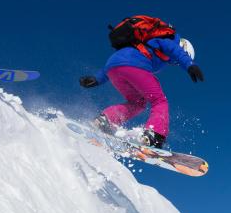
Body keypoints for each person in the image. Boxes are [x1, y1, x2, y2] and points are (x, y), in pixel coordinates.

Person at [79, 18, 205, 148]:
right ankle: (154, 135)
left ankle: (105, 120)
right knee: (159, 100)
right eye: (178, 61)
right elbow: (176, 51)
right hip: (134, 67)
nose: (175, 63)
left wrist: (97, 78)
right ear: (183, 47)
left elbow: (120, 61)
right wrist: (189, 64)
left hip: (113, 68)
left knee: (138, 103)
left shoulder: (143, 45)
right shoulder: (169, 41)